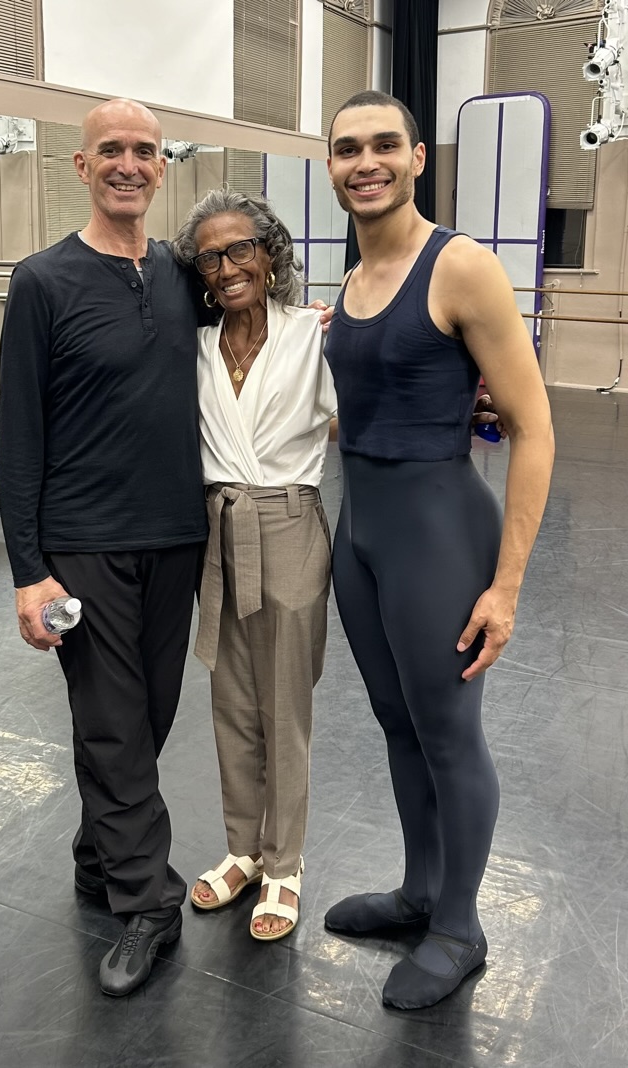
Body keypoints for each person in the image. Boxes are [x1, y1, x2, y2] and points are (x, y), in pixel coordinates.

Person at [321, 91, 554, 1010]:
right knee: (395, 723)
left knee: (450, 736)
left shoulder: (461, 267)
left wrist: (506, 588)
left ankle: (460, 925)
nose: (365, 161)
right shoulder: (348, 280)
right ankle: (420, 890)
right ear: (331, 165)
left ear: (419, 158)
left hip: (438, 532)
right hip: (363, 532)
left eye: (385, 145)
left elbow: (534, 431)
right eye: (347, 148)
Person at [0, 98, 208, 997]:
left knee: (147, 718)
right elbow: (23, 438)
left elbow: (256, 336)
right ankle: (147, 900)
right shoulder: (41, 281)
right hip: (81, 544)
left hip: (176, 536)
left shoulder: (183, 274)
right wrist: (27, 570)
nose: (129, 163)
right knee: (113, 720)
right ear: (81, 167)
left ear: (163, 168)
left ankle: (98, 851)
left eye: (145, 151)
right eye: (111, 150)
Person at [172, 190, 336, 940]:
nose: (227, 266)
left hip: (289, 522)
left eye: (241, 248)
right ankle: (243, 848)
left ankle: (285, 863)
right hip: (219, 526)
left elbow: (355, 413)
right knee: (231, 702)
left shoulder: (314, 334)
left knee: (283, 708)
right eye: (210, 256)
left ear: (271, 255)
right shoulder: (197, 345)